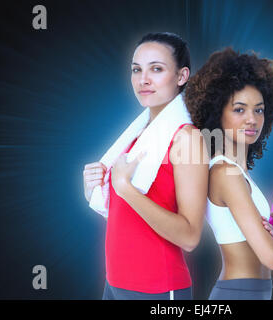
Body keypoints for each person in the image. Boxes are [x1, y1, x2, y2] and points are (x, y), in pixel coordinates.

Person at [83, 32, 208, 300]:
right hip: (114, 284)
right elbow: (128, 218)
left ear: (182, 76)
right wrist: (94, 189)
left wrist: (126, 189)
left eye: (157, 69)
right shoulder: (135, 138)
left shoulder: (187, 139)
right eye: (136, 70)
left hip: (158, 290)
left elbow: (190, 236)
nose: (143, 79)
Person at [185, 48, 273, 300]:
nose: (252, 119)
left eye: (258, 110)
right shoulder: (226, 173)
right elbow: (272, 257)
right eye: (239, 109)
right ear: (217, 113)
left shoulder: (238, 172)